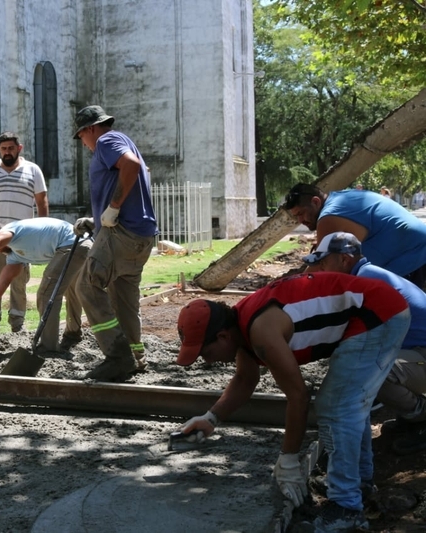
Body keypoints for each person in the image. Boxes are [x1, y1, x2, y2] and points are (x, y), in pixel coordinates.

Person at [175, 273, 410, 532]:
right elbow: (244, 379)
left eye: (205, 353)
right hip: (374, 310)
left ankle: (346, 507)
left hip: (377, 315)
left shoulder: (261, 332)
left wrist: (288, 460)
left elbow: (298, 396)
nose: (207, 361)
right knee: (348, 402)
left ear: (222, 337)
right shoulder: (239, 326)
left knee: (336, 406)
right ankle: (359, 484)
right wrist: (210, 419)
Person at [303, 232, 426, 455]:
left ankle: (421, 418)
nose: (320, 269)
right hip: (416, 353)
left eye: (323, 262)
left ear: (344, 259)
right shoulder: (366, 273)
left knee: (373, 372)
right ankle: (411, 416)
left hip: (422, 356)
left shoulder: (364, 281)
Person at [72, 105, 158, 381]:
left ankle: (117, 356)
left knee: (86, 286)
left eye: (81, 136)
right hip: (141, 236)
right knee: (123, 299)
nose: (83, 144)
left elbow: (130, 167)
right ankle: (135, 356)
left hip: (121, 233)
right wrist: (97, 220)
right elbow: (132, 171)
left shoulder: (106, 141)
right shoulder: (123, 141)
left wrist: (113, 207)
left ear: (90, 129)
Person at [0, 218, 91, 351]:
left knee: (47, 292)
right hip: (78, 244)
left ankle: (48, 346)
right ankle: (72, 335)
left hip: (74, 242)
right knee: (71, 290)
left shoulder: (10, 231)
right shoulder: (14, 254)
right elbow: (4, 281)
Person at [283, 182, 426, 288]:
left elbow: (318, 271)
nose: (300, 221)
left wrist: (286, 290)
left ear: (315, 202)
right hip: (416, 246)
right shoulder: (341, 197)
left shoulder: (329, 217)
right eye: (296, 217)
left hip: (413, 256)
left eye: (301, 213)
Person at [0, 131, 48, 336]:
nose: (7, 152)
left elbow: (42, 202)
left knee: (19, 282)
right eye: (4, 148)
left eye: (11, 148)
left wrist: (42, 232)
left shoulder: (33, 170)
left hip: (22, 239)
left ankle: (18, 324)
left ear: (19, 148)